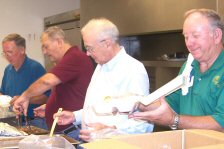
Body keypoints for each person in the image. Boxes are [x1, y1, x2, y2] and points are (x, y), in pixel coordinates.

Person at [53, 18, 154, 142]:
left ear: (107, 43)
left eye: (90, 48)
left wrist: (110, 130)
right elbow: (102, 108)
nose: (88, 54)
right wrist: (76, 116)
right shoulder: (101, 65)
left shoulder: (133, 69)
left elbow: (144, 122)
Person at [129, 9, 224, 131]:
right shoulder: (189, 67)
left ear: (216, 35)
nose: (189, 43)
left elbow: (221, 124)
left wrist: (174, 120)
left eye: (196, 36)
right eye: (186, 37)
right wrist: (140, 104)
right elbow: (171, 105)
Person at [13, 26, 95, 138]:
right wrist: (49, 108)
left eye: (46, 47)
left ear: (59, 42)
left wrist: (25, 96)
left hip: (72, 131)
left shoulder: (74, 57)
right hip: (65, 130)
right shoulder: (67, 59)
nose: (45, 52)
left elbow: (46, 82)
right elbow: (71, 92)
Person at [1, 33, 50, 129]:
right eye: (4, 53)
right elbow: (2, 92)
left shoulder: (36, 68)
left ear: (22, 50)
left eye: (10, 52)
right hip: (12, 121)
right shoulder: (8, 70)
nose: (7, 56)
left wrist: (25, 99)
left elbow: (47, 97)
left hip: (34, 122)